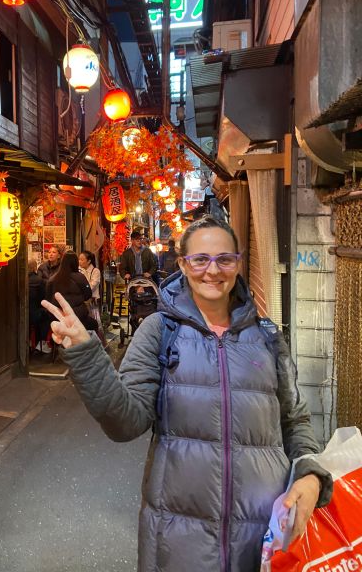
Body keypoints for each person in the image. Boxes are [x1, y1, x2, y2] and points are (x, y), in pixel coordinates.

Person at [42, 215, 333, 571]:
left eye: (224, 259)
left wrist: (309, 474)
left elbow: (294, 420)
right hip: (178, 539)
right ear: (182, 264)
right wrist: (87, 356)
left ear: (238, 263)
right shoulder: (158, 331)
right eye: (200, 259)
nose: (213, 271)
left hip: (267, 542)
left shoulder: (267, 337)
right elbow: (125, 422)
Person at [46, 251, 97, 332]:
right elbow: (88, 294)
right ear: (75, 263)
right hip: (78, 317)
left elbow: (48, 298)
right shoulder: (80, 277)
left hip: (59, 317)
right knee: (94, 325)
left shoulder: (53, 279)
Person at [28, 258, 50, 353]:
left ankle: (30, 341)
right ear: (34, 267)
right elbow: (43, 298)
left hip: (23, 315)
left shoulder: (20, 280)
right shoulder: (40, 281)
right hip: (34, 314)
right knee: (46, 315)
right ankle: (43, 342)